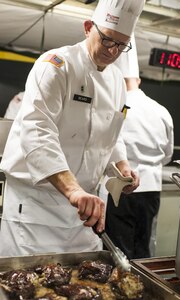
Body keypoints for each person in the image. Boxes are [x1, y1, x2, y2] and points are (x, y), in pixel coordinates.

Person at [0, 0, 145, 257]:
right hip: (37, 208)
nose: (113, 51)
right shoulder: (55, 66)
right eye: (108, 40)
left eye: (122, 46)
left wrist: (122, 166)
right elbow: (38, 132)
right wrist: (73, 190)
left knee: (86, 285)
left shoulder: (116, 82)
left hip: (84, 210)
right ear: (88, 27)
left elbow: (113, 131)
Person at [105, 46, 174, 259]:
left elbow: (108, 145)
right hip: (152, 187)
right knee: (144, 245)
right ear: (139, 81)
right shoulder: (161, 110)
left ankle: (121, 288)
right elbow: (168, 153)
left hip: (122, 186)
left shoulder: (118, 107)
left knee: (118, 246)